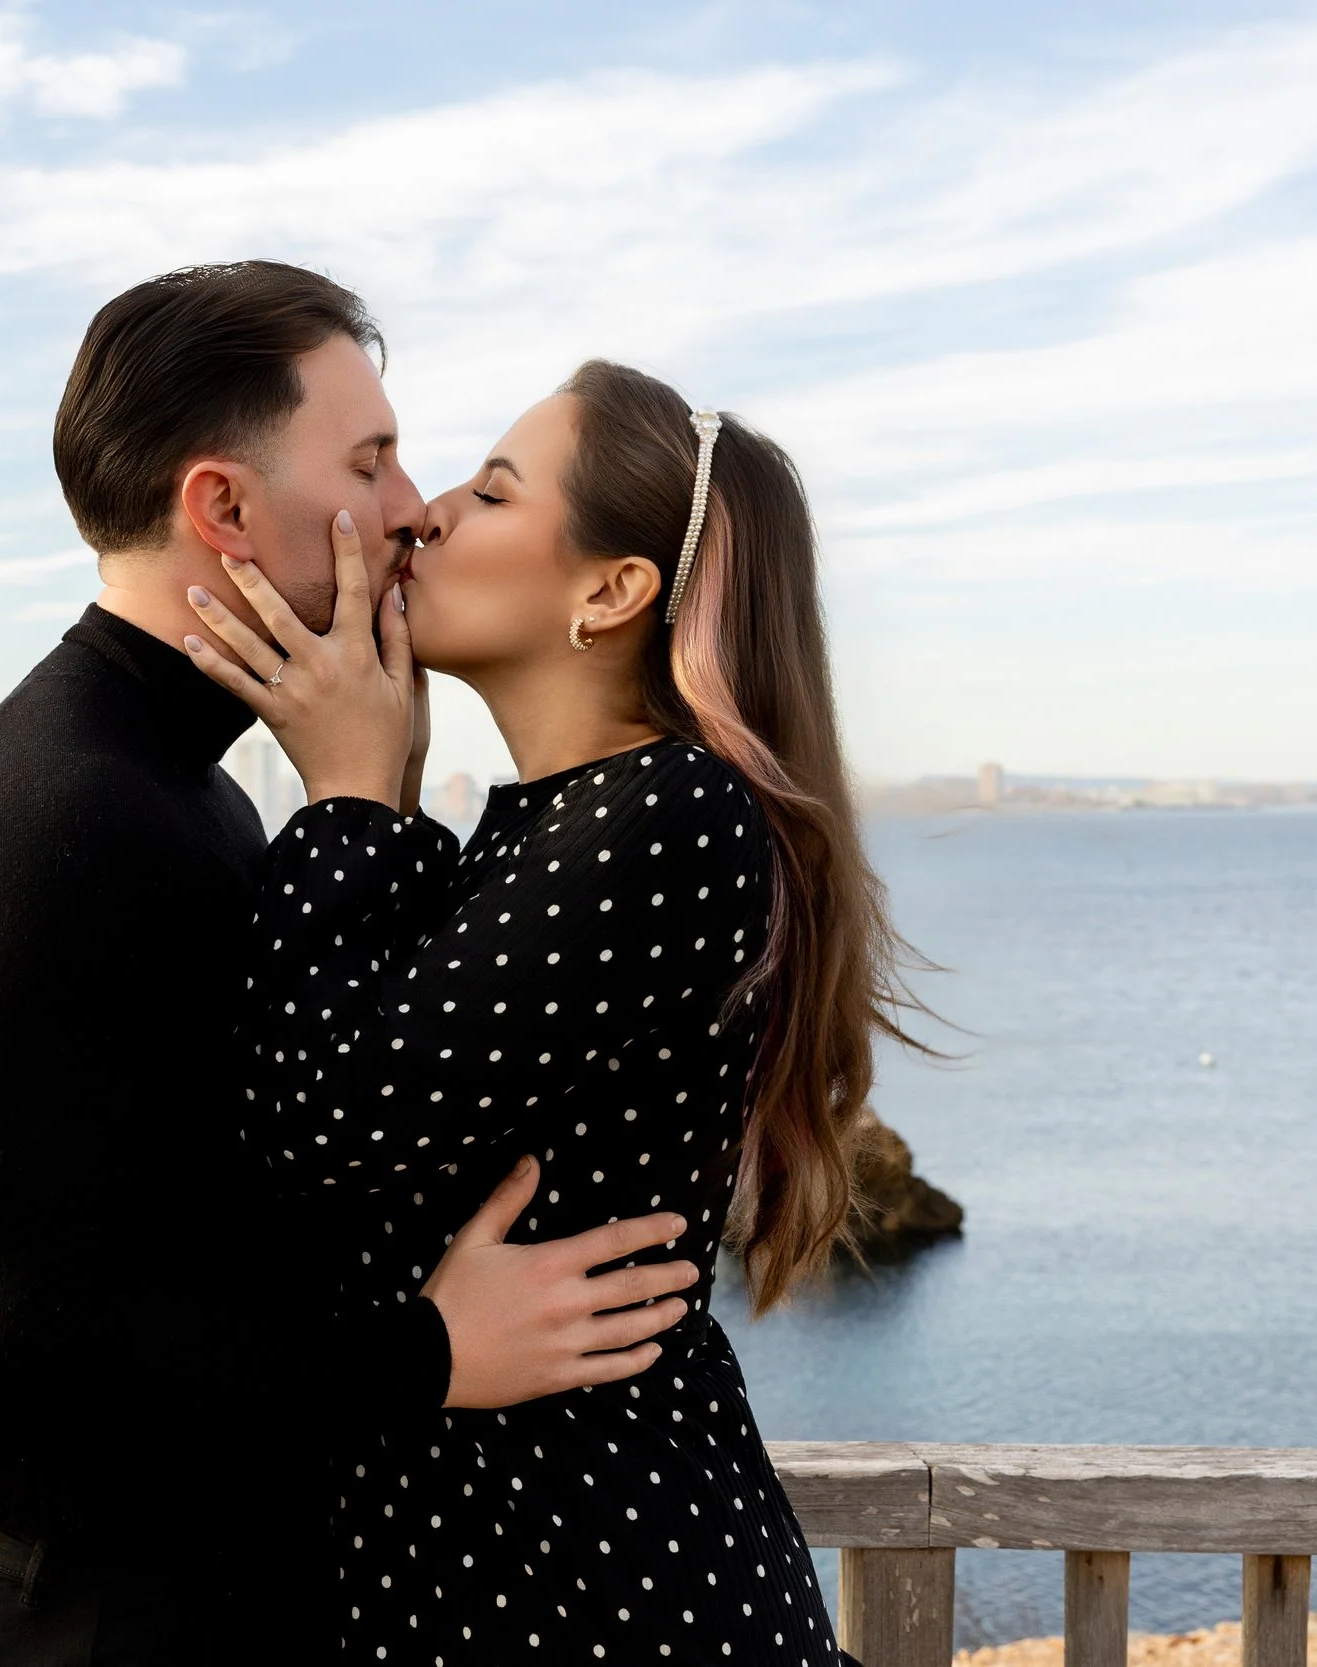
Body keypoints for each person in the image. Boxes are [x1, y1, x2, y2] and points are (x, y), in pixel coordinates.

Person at [0, 266, 705, 1667]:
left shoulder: (174, 787)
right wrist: (428, 1355)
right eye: (369, 460)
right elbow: (2, 1365)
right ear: (225, 509)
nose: (408, 504)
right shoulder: (72, 811)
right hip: (82, 1617)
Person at [185, 359, 924, 1661]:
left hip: (609, 1592)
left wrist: (349, 792)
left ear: (609, 590)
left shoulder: (674, 813)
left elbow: (318, 1118)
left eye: (493, 491)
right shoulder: (542, 835)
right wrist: (388, 794)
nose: (427, 515)